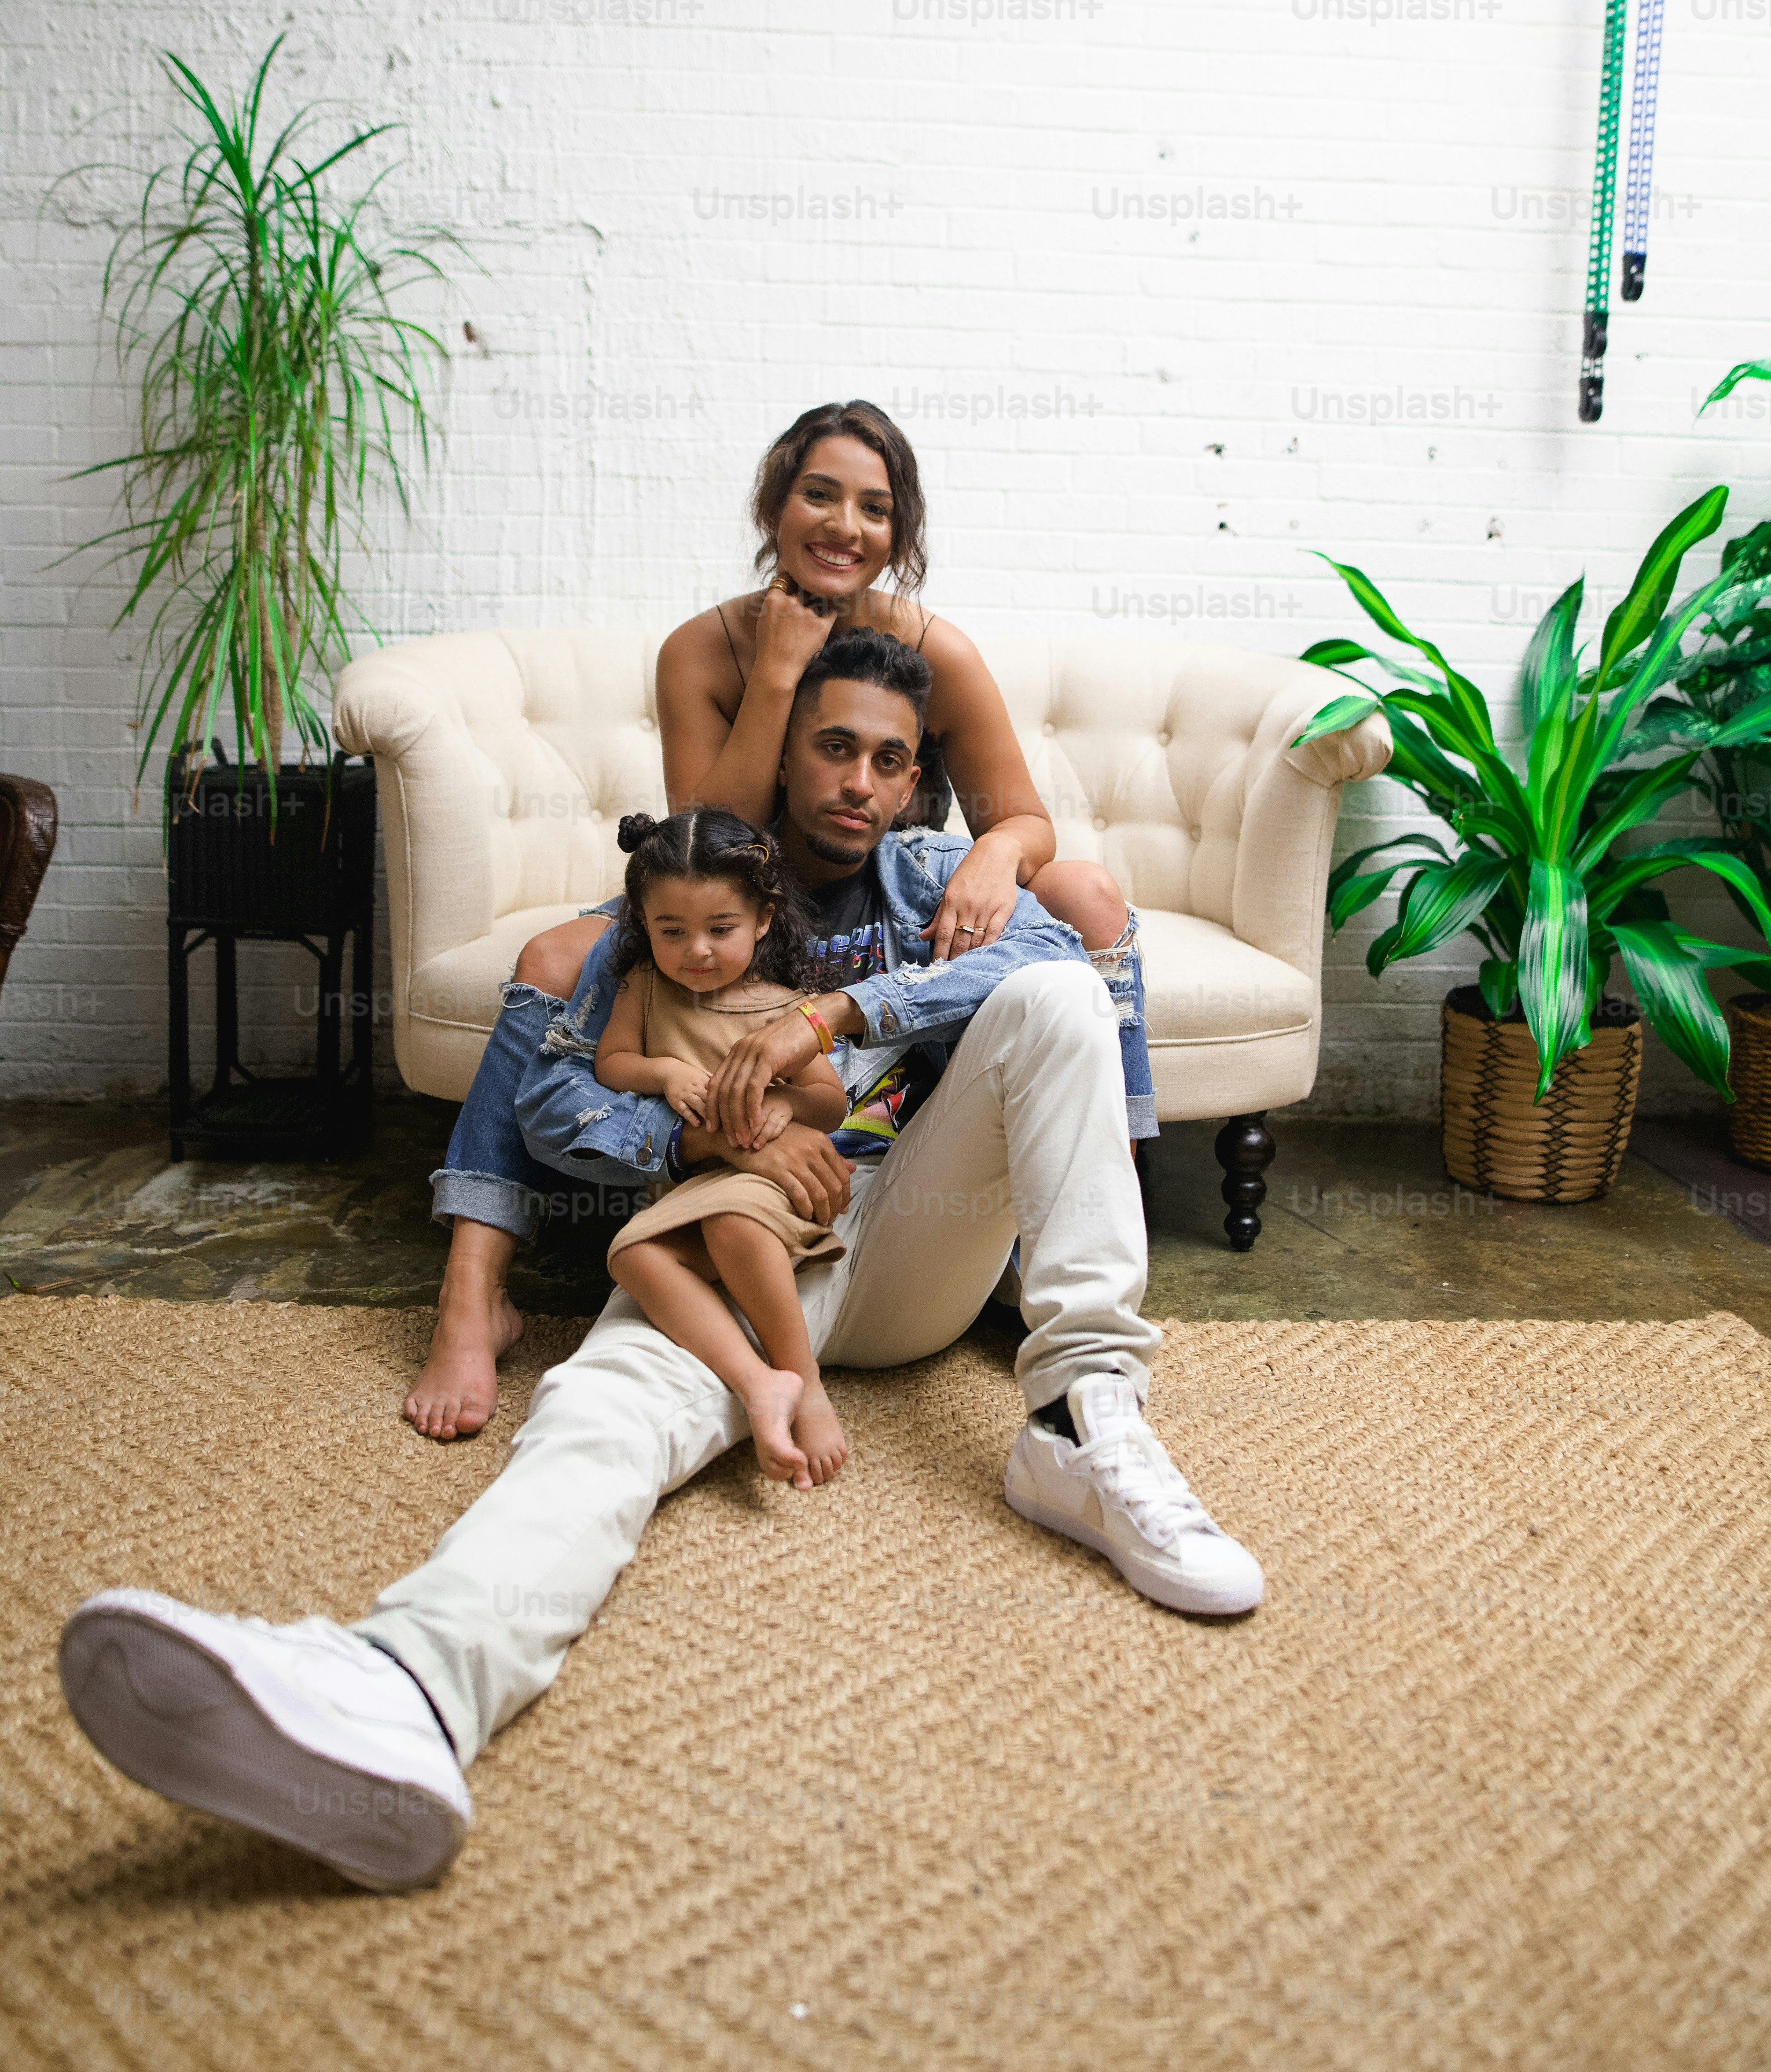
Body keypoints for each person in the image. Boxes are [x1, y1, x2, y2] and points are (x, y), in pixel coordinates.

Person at [58, 629, 1263, 1897]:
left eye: (889, 761)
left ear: (914, 786)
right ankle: (403, 1686)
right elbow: (557, 1099)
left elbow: (1054, 957)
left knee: (1060, 996)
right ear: (789, 755)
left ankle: (1079, 1416)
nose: (859, 779)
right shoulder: (678, 909)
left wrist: (839, 1014)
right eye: (836, 747)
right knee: (598, 1414)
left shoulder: (930, 881)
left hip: (908, 1228)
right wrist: (689, 1124)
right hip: (731, 1239)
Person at [404, 397, 1154, 1441]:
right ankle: (474, 1283)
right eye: (819, 494)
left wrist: (989, 855)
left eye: (876, 507)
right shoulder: (699, 652)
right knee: (553, 954)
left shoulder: (930, 651)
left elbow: (1023, 816)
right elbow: (706, 848)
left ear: (902, 532)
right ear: (773, 503)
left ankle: (1076, 1202)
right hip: (735, 898)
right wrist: (776, 676)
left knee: (1080, 899)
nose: (845, 525)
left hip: (875, 911)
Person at [593, 806, 852, 1491]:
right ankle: (757, 1381)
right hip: (691, 1185)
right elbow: (612, 1063)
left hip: (766, 1189)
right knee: (633, 1256)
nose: (696, 951)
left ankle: (808, 1383)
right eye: (670, 931)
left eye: (721, 929)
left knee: (733, 1221)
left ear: (764, 919)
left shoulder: (785, 1008)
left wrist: (786, 1102)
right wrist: (664, 1071)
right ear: (642, 924)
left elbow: (832, 1104)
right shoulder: (645, 987)